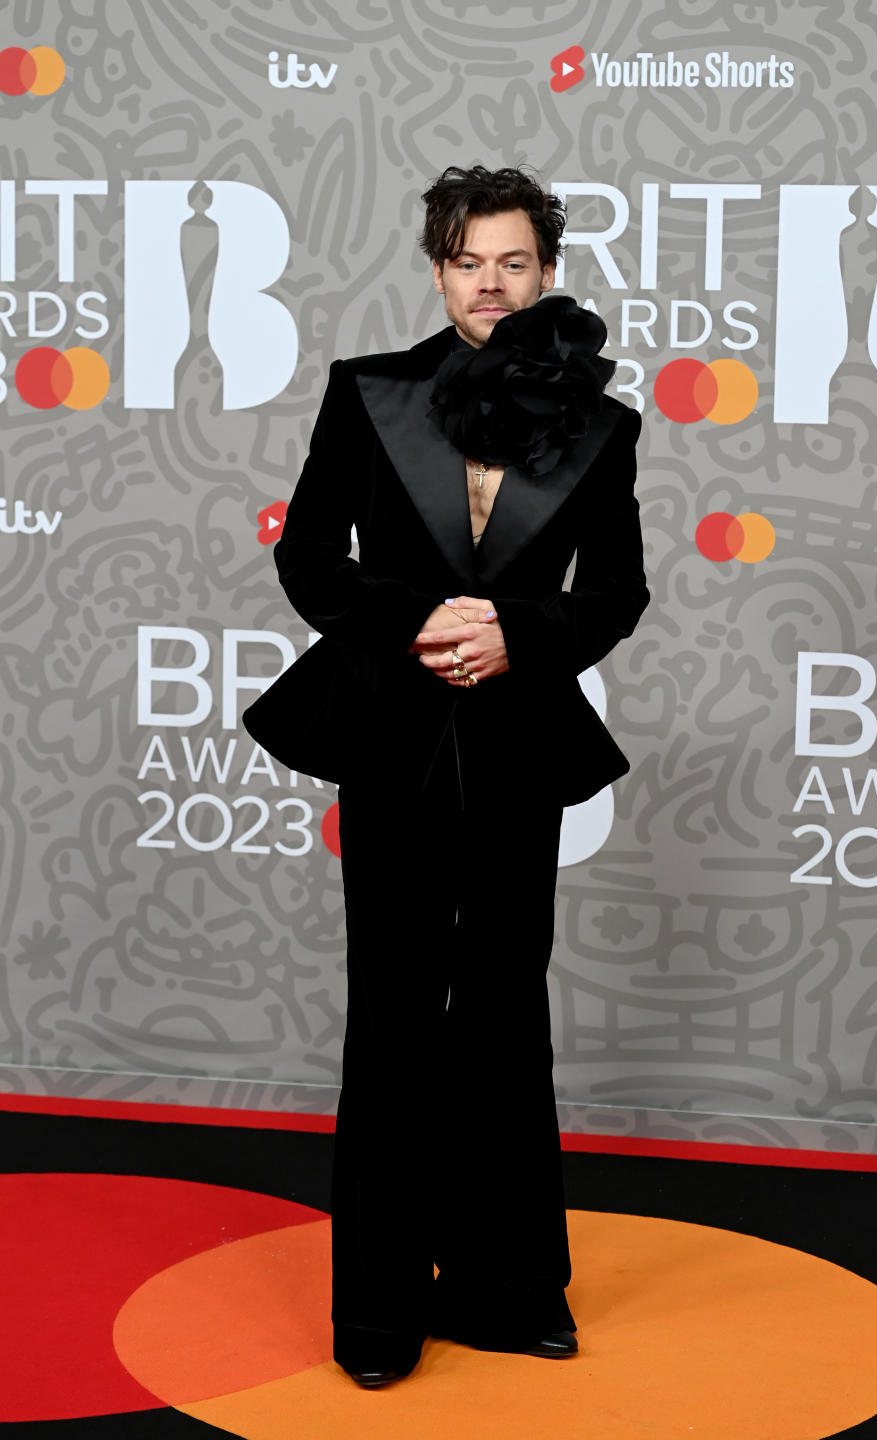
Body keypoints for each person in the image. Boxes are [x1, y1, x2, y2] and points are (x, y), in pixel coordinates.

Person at [243, 163, 649, 1387]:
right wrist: (422, 620)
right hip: (394, 733)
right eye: (469, 260)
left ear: (547, 273)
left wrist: (519, 635)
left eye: (514, 261)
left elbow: (617, 593)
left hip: (519, 740)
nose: (491, 282)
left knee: (506, 1022)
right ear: (436, 269)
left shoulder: (605, 425)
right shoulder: (368, 395)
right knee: (396, 1022)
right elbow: (310, 553)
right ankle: (376, 1312)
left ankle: (510, 1287)